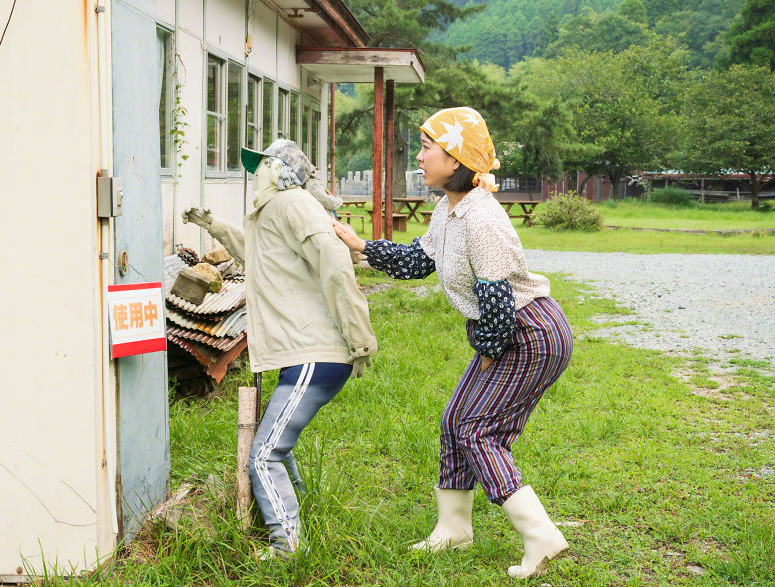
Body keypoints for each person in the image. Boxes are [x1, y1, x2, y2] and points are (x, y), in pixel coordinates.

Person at [332, 107, 573, 578]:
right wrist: (359, 246)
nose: (419, 158)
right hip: (514, 329)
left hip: (528, 333)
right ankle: (454, 530)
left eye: (426, 148)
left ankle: (542, 538)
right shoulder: (449, 209)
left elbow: (498, 302)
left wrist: (487, 352)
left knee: (475, 429)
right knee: (455, 421)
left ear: (456, 157)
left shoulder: (482, 220)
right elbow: (417, 261)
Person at [183, 139, 377, 558]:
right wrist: (214, 226)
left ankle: (287, 546)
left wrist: (359, 338)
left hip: (315, 353)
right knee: (278, 447)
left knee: (265, 455)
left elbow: (335, 263)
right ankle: (303, 509)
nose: (259, 172)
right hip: (303, 354)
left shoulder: (293, 204)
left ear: (282, 171)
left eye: (266, 164)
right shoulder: (275, 210)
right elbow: (258, 252)